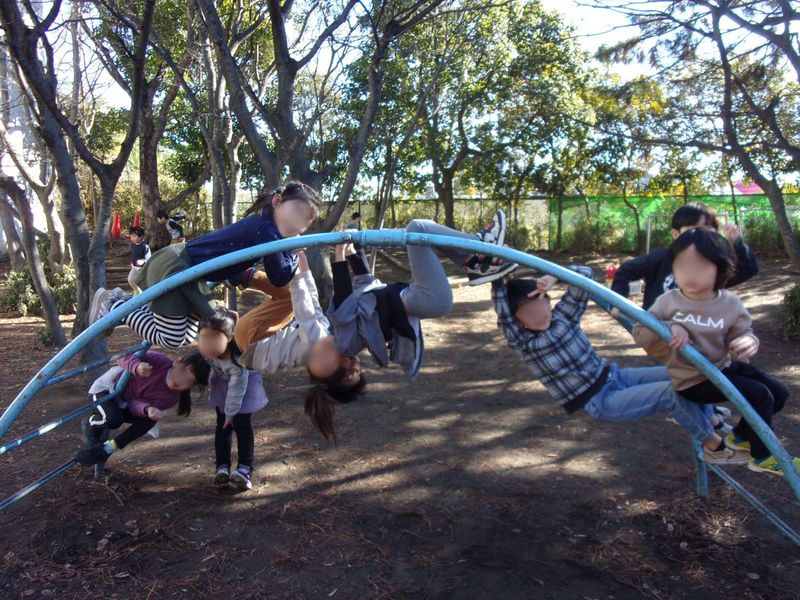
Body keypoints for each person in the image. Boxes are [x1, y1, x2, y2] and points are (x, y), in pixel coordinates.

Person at [490, 266, 748, 466]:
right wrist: (496, 277)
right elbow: (502, 307)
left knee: (687, 370)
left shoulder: (562, 317)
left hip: (616, 376)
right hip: (601, 399)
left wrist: (553, 277)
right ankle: (712, 446)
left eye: (542, 301)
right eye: (528, 311)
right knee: (670, 394)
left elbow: (585, 275)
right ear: (517, 321)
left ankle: (711, 419)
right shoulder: (523, 342)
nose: (541, 311)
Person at [304, 211, 518, 441]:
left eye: (351, 375)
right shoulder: (346, 342)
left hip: (421, 296)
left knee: (418, 232)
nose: (356, 369)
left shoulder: (345, 331)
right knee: (417, 229)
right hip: (428, 299)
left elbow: (364, 281)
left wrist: (352, 249)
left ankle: (476, 262)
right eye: (355, 374)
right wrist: (340, 251)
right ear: (342, 365)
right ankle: (480, 246)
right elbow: (345, 300)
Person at [633, 228, 797, 476]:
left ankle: (741, 436)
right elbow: (640, 329)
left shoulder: (729, 303)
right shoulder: (669, 301)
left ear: (720, 268)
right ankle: (762, 455)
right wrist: (669, 328)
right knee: (760, 395)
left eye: (699, 267)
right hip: (692, 379)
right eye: (681, 266)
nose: (688, 274)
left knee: (780, 392)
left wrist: (747, 341)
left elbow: (742, 331)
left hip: (720, 368)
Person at [87, 181, 322, 349]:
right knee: (172, 338)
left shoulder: (267, 229)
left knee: (189, 334)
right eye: (296, 214)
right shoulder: (267, 231)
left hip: (191, 274)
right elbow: (279, 276)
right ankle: (115, 304)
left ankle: (123, 306)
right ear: (277, 201)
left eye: (304, 222)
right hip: (179, 267)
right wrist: (294, 252)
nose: (297, 225)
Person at [611, 202, 758, 433]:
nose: (701, 236)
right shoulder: (662, 257)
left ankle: (709, 413)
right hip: (663, 331)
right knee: (690, 375)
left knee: (705, 372)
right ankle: (708, 419)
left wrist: (736, 243)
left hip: (700, 332)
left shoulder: (712, 264)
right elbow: (627, 269)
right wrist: (619, 302)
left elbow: (747, 268)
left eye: (709, 230)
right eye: (693, 230)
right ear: (675, 234)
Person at [76, 351, 210, 466]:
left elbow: (135, 404)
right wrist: (136, 366)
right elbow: (121, 357)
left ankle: (107, 449)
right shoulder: (159, 360)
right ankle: (90, 423)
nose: (181, 381)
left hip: (125, 404)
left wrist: (147, 409)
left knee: (149, 421)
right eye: (183, 373)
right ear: (177, 362)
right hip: (107, 390)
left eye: (189, 382)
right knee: (113, 419)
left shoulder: (171, 398)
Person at [198, 307, 267, 491]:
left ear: (228, 338)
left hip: (244, 386)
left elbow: (237, 389)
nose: (208, 344)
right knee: (222, 426)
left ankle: (245, 469)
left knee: (241, 425)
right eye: (204, 338)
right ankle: (222, 467)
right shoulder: (208, 350)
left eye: (214, 339)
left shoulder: (237, 361)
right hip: (223, 383)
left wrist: (231, 413)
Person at [128, 226, 151, 294]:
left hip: (143, 268)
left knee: (143, 282)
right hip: (135, 267)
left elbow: (148, 258)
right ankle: (137, 292)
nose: (132, 238)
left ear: (141, 237)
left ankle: (147, 294)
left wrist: (143, 261)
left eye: (135, 236)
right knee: (130, 279)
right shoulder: (133, 245)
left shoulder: (144, 246)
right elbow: (133, 254)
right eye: (131, 236)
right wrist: (132, 262)